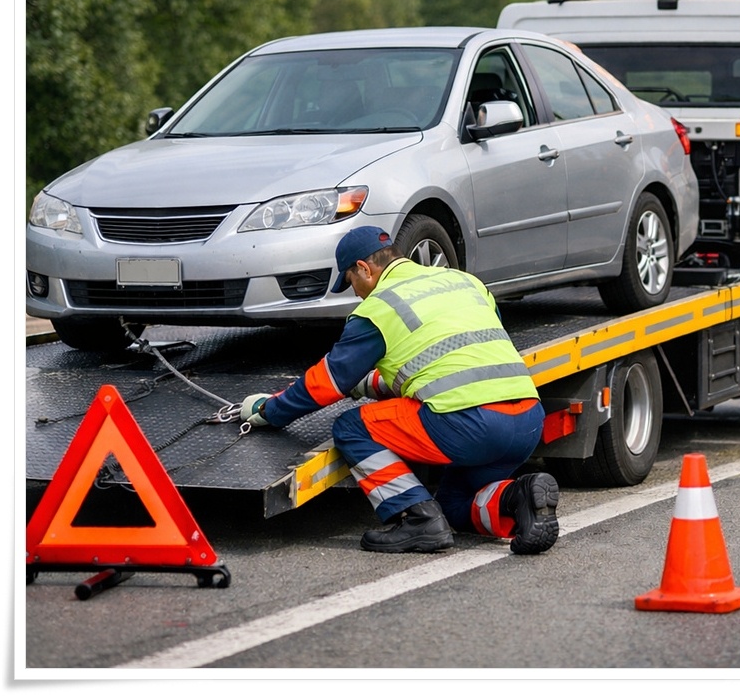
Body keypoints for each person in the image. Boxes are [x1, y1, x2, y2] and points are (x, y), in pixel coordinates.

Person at [240, 225, 560, 555]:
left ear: (364, 268)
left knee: (351, 427)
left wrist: (270, 411)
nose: (356, 293)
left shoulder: (380, 306)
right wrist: (367, 385)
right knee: (455, 504)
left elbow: (327, 383)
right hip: (526, 419)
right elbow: (447, 360)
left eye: (351, 282)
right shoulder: (465, 282)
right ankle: (518, 497)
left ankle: (418, 518)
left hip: (468, 424)